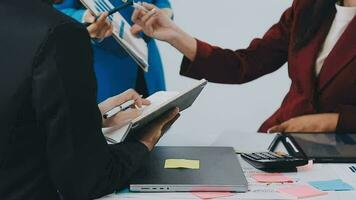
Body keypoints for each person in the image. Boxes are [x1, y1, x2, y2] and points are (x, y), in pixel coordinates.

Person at [0, 0, 179, 199]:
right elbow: (87, 179)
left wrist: (90, 116)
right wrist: (143, 143)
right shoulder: (60, 34)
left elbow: (16, 112)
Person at [131, 0, 356, 133]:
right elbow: (246, 64)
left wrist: (331, 121)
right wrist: (174, 35)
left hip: (345, 148)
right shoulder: (308, 6)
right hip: (285, 138)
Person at [55, 0, 173, 102]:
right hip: (106, 66)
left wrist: (164, 13)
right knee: (114, 125)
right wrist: (85, 17)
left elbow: (161, 2)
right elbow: (56, 11)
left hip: (148, 62)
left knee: (160, 118)